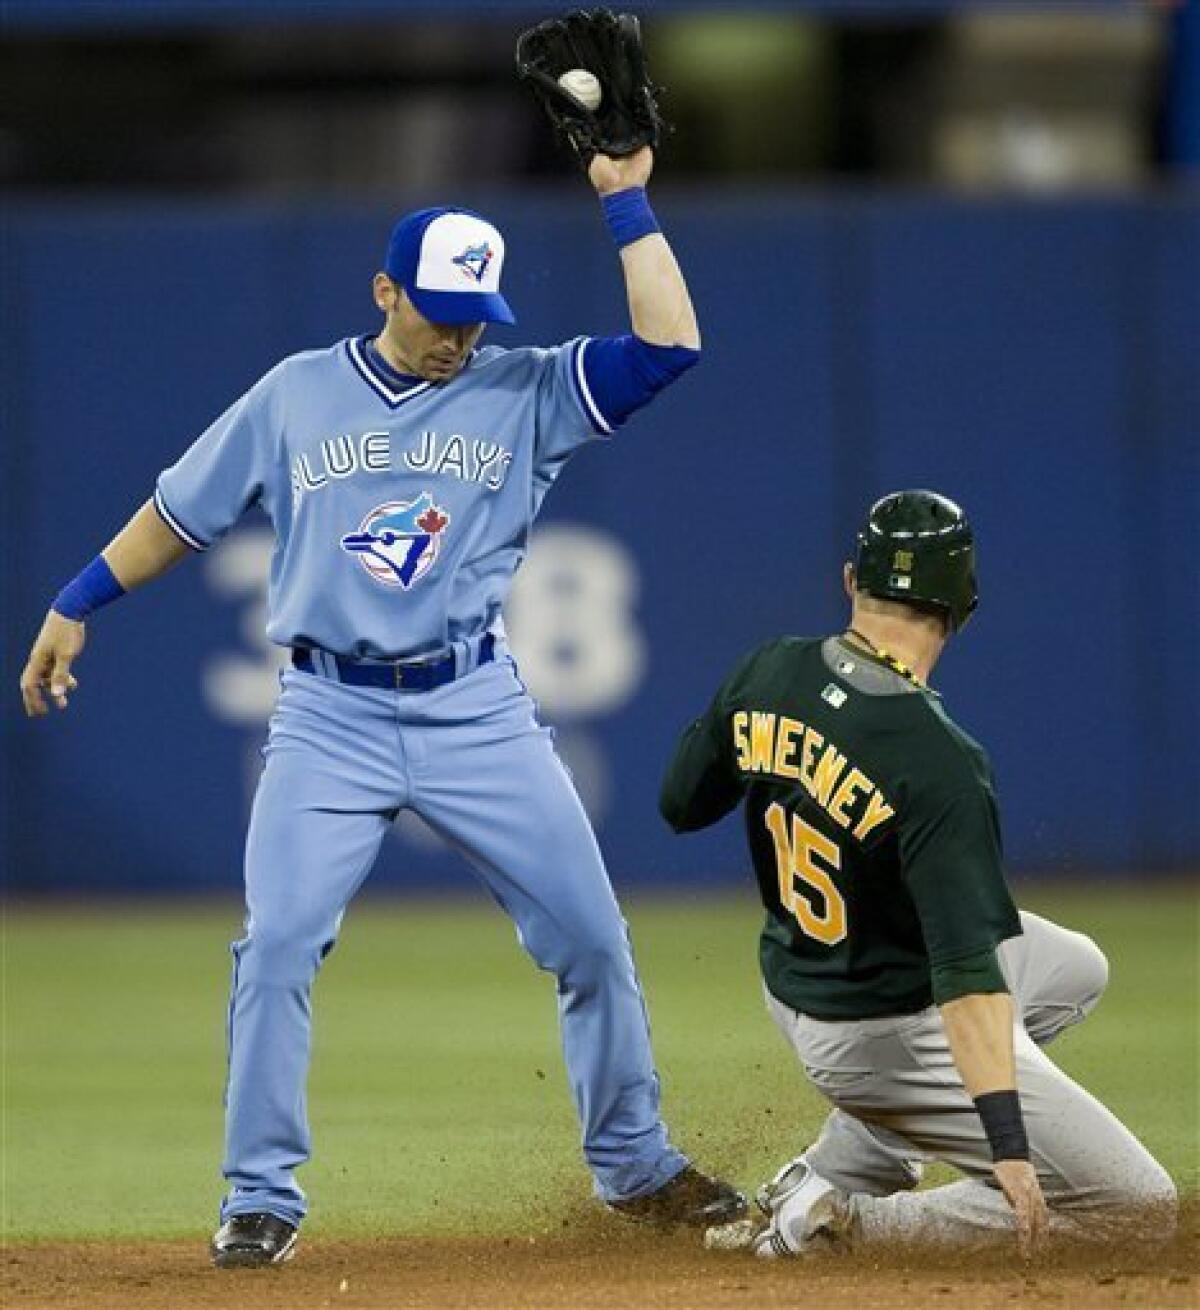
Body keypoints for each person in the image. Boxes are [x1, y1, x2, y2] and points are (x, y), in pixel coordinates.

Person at [19, 145, 746, 1268]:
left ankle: (636, 1164)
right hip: (327, 715)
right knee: (277, 947)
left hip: (478, 708)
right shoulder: (295, 394)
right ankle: (259, 1195)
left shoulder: (526, 390)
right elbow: (182, 508)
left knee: (593, 938)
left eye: (476, 316)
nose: (460, 336)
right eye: (441, 312)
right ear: (385, 291)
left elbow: (670, 346)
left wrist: (624, 199)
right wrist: (80, 595)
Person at [659, 490, 1177, 1258]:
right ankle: (835, 1226)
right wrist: (1006, 1146)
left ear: (849, 580)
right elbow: (967, 981)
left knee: (1073, 969)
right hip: (882, 1030)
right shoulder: (940, 763)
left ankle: (836, 1163)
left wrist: (757, 719)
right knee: (1137, 1210)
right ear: (963, 603)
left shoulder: (768, 670)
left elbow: (680, 802)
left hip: (798, 977)